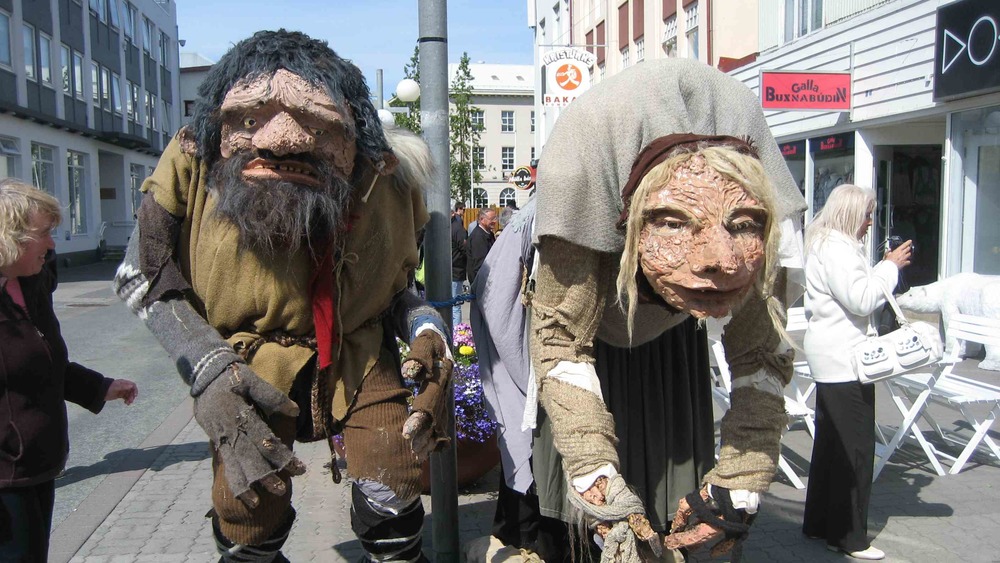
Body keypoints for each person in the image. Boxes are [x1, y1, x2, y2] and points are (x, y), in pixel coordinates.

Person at [113, 30, 452, 563]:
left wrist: (429, 331)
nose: (283, 139)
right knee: (248, 506)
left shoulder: (385, 179)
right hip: (245, 367)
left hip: (358, 357)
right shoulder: (192, 162)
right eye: (249, 120)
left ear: (351, 134)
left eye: (317, 126)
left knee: (394, 475)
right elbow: (139, 274)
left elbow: (397, 290)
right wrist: (207, 370)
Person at [476, 58, 809, 561]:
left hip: (672, 349)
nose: (722, 260)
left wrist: (739, 485)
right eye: (674, 223)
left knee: (683, 515)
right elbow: (561, 334)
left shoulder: (745, 134)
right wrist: (597, 479)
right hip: (589, 334)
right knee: (578, 523)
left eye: (742, 225)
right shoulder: (587, 151)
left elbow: (763, 345)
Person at [0, 179, 138, 562]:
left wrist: (101, 387)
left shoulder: (29, 286)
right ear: (8, 237)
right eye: (44, 233)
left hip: (36, 466)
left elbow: (44, 363)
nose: (52, 244)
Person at [801, 184, 912, 561]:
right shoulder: (836, 247)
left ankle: (819, 524)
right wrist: (889, 267)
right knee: (855, 449)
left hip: (832, 356)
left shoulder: (825, 242)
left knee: (831, 446)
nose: (870, 223)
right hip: (844, 359)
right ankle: (848, 537)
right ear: (850, 213)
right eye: (867, 215)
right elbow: (861, 299)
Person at [467, 208, 497, 286]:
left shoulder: (488, 234)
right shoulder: (478, 237)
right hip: (482, 282)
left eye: (495, 218)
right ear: (482, 219)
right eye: (492, 219)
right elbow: (480, 264)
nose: (495, 221)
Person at [451, 202, 468, 327]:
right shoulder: (455, 227)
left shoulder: (457, 228)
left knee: (455, 305)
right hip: (453, 270)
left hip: (455, 270)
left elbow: (464, 249)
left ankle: (457, 333)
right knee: (453, 305)